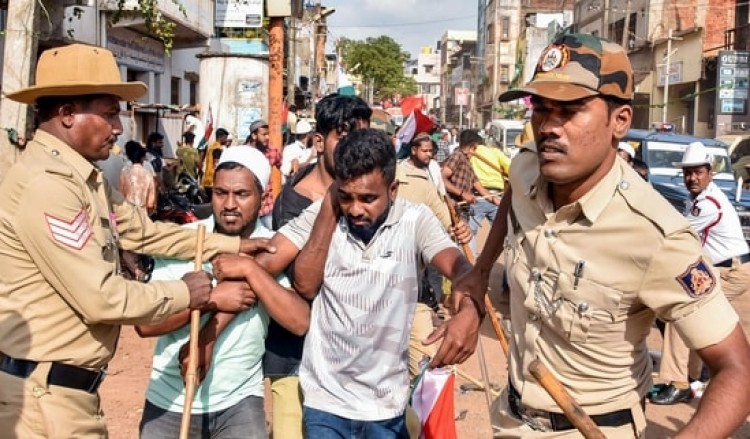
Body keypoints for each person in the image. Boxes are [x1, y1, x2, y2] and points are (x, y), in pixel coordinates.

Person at [453, 33, 750, 438]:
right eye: (540, 108)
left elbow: (736, 369)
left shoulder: (655, 234)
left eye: (570, 111)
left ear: (620, 121)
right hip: (511, 417)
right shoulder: (526, 169)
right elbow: (512, 197)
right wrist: (479, 274)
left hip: (594, 428)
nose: (548, 127)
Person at [0, 43, 270, 437]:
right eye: (110, 114)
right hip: (46, 399)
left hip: (66, 393)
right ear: (68, 114)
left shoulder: (80, 177)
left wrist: (231, 246)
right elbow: (102, 297)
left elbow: (142, 232)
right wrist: (187, 293)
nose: (119, 128)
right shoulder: (48, 186)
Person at [275, 128, 483, 436]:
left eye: (368, 198)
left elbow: (461, 270)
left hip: (386, 406)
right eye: (346, 197)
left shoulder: (416, 221)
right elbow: (287, 269)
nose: (356, 209)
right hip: (325, 402)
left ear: (394, 188)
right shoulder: (326, 215)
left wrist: (469, 312)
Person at [137, 146, 310, 438]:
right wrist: (212, 300)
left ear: (264, 198)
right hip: (170, 399)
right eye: (221, 193)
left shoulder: (271, 246)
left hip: (240, 403)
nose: (229, 204)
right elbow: (145, 323)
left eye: (241, 194)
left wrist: (252, 271)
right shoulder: (186, 241)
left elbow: (299, 321)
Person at [650, 142, 750, 405]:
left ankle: (679, 382)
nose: (692, 178)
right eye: (687, 172)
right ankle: (695, 373)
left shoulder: (707, 204)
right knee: (693, 311)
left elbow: (673, 235)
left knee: (680, 311)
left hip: (732, 270)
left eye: (698, 172)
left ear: (709, 173)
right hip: (722, 267)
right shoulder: (698, 199)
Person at [396, 132, 471, 377]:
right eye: (425, 151)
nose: (429, 155)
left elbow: (444, 215)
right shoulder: (397, 173)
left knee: (423, 365)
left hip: (418, 268)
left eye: (431, 151)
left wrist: (456, 227)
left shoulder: (429, 178)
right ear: (412, 150)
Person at [442, 129, 501, 253]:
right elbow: (442, 177)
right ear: (473, 147)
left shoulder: (468, 162)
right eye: (475, 148)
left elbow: (479, 187)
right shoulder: (457, 156)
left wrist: (495, 199)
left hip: (462, 213)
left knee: (468, 251)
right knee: (464, 252)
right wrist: (462, 194)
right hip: (452, 210)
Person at [246, 119, 281, 229]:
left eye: (268, 134)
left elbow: (280, 164)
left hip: (266, 206)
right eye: (264, 134)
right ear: (254, 135)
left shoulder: (272, 152)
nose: (267, 137)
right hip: (247, 206)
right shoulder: (243, 153)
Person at [201, 127, 230, 198]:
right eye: (225, 138)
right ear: (220, 137)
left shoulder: (210, 146)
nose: (226, 140)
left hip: (207, 180)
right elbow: (216, 164)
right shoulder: (218, 148)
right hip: (213, 181)